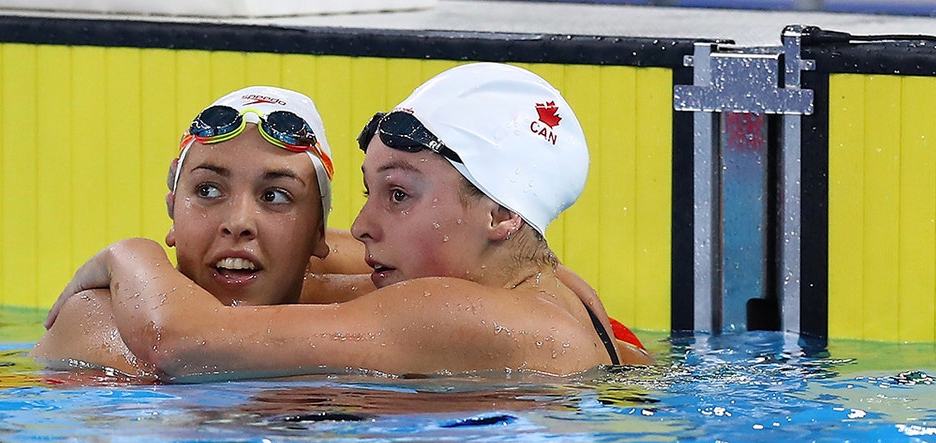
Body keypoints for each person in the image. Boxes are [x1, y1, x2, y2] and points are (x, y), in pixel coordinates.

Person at [45, 62, 651, 380]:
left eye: (398, 196)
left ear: (499, 214)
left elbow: (179, 341)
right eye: (368, 193)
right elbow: (307, 250)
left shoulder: (460, 312)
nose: (362, 228)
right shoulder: (540, 290)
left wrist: (131, 253)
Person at [31, 85, 367, 376]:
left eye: (274, 196)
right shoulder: (100, 322)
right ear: (173, 211)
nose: (238, 223)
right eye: (208, 191)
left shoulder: (361, 310)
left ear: (318, 234)